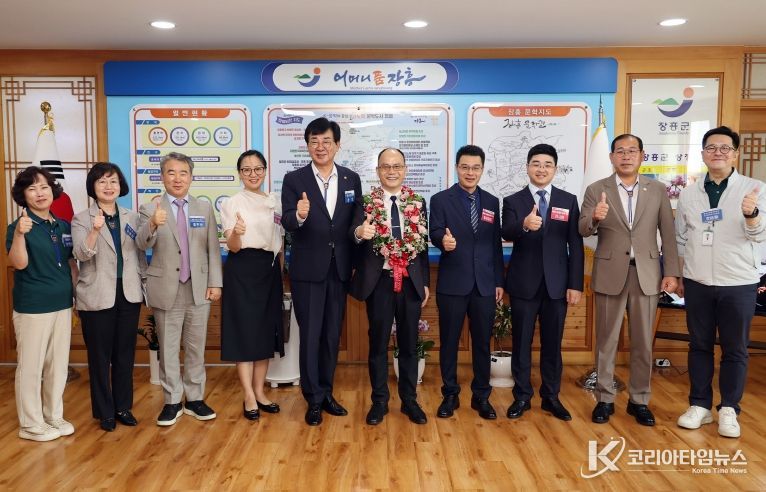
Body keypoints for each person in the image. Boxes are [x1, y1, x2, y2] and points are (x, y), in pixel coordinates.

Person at [579, 133, 680, 426]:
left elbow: (668, 233)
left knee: (643, 342)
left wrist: (671, 272)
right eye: (620, 151)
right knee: (606, 341)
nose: (626, 156)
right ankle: (604, 399)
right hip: (610, 273)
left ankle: (639, 400)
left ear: (642, 156)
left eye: (631, 151)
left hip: (647, 274)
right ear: (611, 157)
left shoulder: (657, 189)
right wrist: (595, 217)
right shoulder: (597, 188)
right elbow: (582, 229)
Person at [675, 126, 766, 438]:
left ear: (735, 154)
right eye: (711, 147)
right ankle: (699, 405)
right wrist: (681, 275)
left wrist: (752, 214)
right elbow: (681, 238)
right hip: (697, 280)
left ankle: (729, 408)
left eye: (725, 148)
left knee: (735, 349)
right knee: (699, 344)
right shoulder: (689, 193)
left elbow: (761, 235)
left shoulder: (755, 189)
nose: (718, 152)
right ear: (702, 154)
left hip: (738, 281)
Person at [281, 117, 363, 426]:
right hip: (308, 271)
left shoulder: (351, 179)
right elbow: (288, 220)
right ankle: (313, 398)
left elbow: (355, 221)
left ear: (337, 145)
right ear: (307, 145)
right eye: (314, 141)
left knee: (331, 336)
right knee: (311, 335)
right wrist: (299, 216)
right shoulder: (294, 179)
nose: (320, 146)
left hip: (339, 268)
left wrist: (358, 235)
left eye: (326, 141)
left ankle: (327, 392)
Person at [136, 152, 222, 426]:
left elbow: (212, 248)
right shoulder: (149, 208)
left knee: (196, 348)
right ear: (162, 177)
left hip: (198, 288)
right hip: (166, 288)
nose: (177, 178)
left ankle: (195, 399)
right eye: (171, 172)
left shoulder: (203, 208)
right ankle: (172, 401)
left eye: (183, 173)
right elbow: (141, 244)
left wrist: (215, 282)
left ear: (191, 177)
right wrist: (153, 223)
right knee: (169, 348)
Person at [502, 144, 584, 421]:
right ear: (527, 167)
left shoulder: (568, 200)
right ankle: (522, 396)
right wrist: (524, 225)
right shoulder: (513, 200)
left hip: (557, 285)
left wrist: (575, 284)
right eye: (536, 163)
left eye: (547, 164)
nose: (541, 169)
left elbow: (575, 244)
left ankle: (551, 397)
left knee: (552, 344)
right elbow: (506, 231)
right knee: (521, 342)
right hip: (523, 284)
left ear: (555, 169)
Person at [350, 148, 430, 425]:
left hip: (410, 282)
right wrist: (360, 232)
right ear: (378, 171)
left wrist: (425, 283)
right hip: (379, 283)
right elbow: (352, 235)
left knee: (409, 344)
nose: (391, 171)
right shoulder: (365, 203)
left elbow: (422, 246)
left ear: (405, 170)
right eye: (386, 166)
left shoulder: (417, 202)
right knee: (378, 344)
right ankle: (379, 402)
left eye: (397, 166)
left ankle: (409, 401)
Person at [429, 144, 504, 420]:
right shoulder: (440, 200)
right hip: (453, 283)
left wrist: (498, 280)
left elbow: (494, 244)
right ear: (456, 168)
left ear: (482, 169)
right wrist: (443, 241)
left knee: (482, 342)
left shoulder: (492, 202)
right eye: (465, 167)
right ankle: (450, 394)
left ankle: (481, 396)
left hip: (484, 284)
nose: (470, 172)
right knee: (449, 342)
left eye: (475, 168)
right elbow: (435, 230)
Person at [72, 163, 144, 432]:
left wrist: (144, 286)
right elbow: (80, 254)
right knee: (99, 358)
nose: (108, 186)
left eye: (113, 181)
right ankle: (104, 412)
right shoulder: (82, 219)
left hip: (128, 293)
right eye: (102, 181)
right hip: (97, 295)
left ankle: (123, 407)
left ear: (120, 185)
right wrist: (94, 230)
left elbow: (139, 254)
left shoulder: (132, 217)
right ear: (93, 186)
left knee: (125, 355)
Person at [6, 166, 77, 441]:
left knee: (57, 365)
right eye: (32, 188)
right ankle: (31, 424)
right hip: (33, 306)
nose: (40, 193)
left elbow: (71, 264)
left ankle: (53, 416)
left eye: (44, 186)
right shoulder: (18, 227)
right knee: (31, 367)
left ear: (53, 190)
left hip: (63, 303)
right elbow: (19, 263)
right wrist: (20, 235)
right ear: (23, 195)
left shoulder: (63, 226)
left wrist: (76, 296)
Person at [220, 150, 285, 421]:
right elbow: (233, 246)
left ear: (265, 171)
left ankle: (260, 391)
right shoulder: (232, 203)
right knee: (245, 333)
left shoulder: (275, 201)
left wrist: (279, 272)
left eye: (258, 168)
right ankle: (248, 394)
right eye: (246, 170)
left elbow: (280, 241)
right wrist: (237, 233)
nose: (253, 174)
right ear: (239, 173)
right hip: (242, 269)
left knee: (264, 332)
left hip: (269, 271)